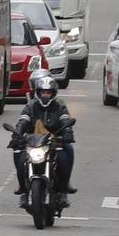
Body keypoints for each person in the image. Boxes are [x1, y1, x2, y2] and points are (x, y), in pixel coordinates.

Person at [10, 76, 76, 208]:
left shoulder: (60, 106)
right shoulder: (31, 106)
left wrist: (68, 132)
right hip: (33, 142)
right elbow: (22, 121)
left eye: (48, 92)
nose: (45, 95)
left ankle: (63, 190)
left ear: (53, 93)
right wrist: (16, 135)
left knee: (67, 152)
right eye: (43, 92)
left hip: (54, 141)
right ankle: (23, 189)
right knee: (19, 154)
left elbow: (65, 120)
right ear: (38, 92)